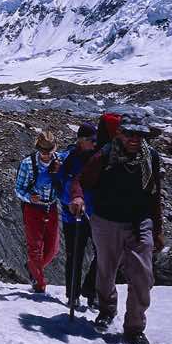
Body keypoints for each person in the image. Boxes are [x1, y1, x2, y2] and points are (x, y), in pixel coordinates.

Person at [70, 114, 164, 344]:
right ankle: (106, 310)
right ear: (120, 133)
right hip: (106, 221)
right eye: (130, 133)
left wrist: (158, 230)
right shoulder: (105, 154)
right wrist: (78, 196)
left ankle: (134, 328)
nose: (135, 139)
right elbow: (80, 180)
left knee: (143, 277)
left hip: (139, 222)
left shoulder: (150, 158)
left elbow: (154, 195)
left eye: (140, 134)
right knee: (106, 271)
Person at [14, 131, 64, 293]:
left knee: (53, 248)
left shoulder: (60, 161)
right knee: (35, 247)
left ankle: (33, 267)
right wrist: (29, 197)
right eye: (43, 151)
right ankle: (40, 283)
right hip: (33, 208)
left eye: (49, 151)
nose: (46, 155)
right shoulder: (27, 164)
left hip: (51, 207)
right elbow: (18, 189)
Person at [59, 122, 99, 308]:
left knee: (103, 254)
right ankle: (72, 294)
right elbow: (61, 185)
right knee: (75, 255)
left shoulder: (98, 157)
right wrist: (70, 202)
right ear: (81, 140)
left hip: (96, 214)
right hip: (73, 214)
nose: (95, 143)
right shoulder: (69, 159)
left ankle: (91, 290)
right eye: (92, 140)